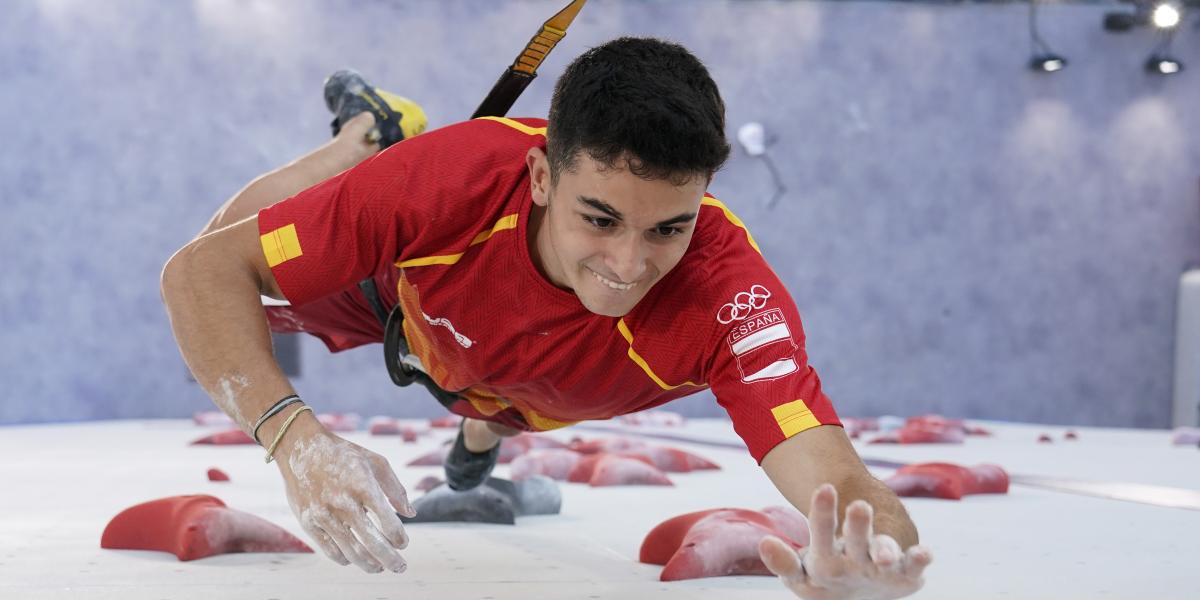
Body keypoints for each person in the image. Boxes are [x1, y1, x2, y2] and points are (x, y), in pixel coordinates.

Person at [161, 37, 931, 599]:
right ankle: (366, 134)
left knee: (498, 399)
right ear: (538, 176)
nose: (629, 267)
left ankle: (478, 436)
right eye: (598, 218)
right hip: (410, 298)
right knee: (224, 257)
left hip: (525, 389)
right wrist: (296, 441)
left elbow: (832, 472)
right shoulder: (446, 180)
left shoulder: (731, 296)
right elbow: (200, 275)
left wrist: (875, 558)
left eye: (669, 227)